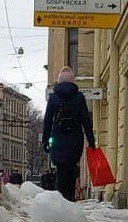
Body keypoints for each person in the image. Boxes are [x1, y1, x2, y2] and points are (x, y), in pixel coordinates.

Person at [42, 66, 96, 202]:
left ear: (59, 81)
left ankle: (61, 201)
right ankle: (71, 198)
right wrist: (91, 141)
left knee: (61, 170)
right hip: (75, 140)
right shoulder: (79, 98)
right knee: (72, 168)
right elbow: (86, 120)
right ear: (73, 81)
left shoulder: (53, 98)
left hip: (58, 140)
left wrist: (45, 141)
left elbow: (47, 121)